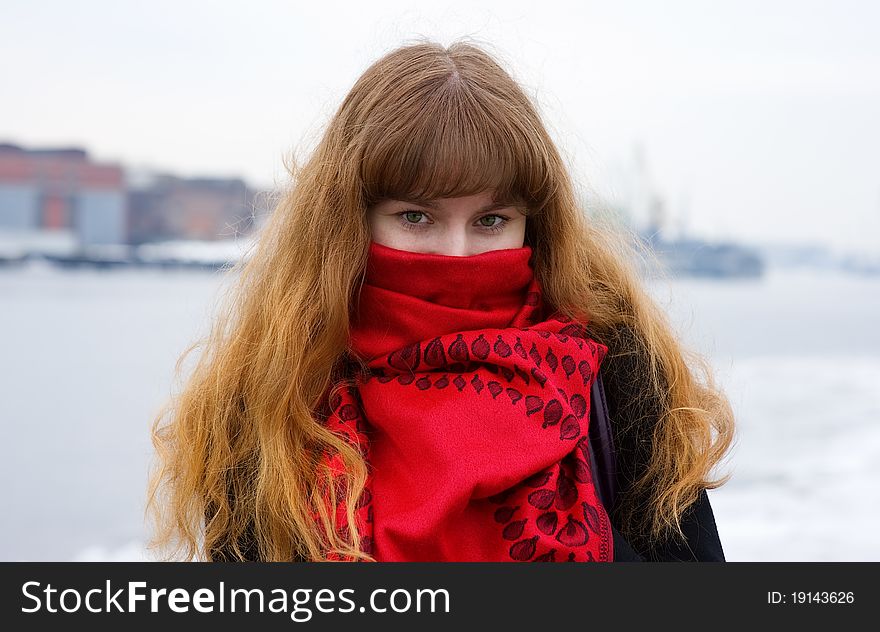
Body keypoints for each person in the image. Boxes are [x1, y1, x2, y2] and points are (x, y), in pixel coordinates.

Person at [146, 38, 736, 563]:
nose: (455, 256)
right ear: (350, 222)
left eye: (491, 220)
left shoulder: (618, 371)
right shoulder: (278, 395)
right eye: (416, 216)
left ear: (534, 225)